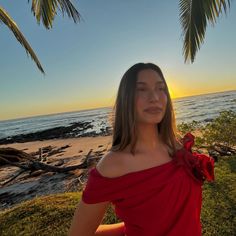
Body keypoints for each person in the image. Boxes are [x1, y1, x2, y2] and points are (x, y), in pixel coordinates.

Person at [68, 62, 215, 236]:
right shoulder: (114, 165)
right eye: (141, 90)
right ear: (126, 99)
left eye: (161, 88)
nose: (154, 97)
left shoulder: (175, 145)